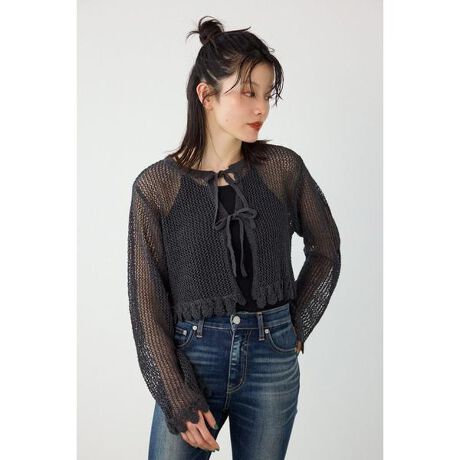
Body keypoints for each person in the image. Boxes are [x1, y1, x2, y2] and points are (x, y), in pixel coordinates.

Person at [127, 15, 341, 460]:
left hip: (272, 358)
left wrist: (295, 325)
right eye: (247, 93)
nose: (261, 108)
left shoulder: (282, 169)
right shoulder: (157, 187)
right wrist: (175, 394)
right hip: (193, 358)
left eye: (266, 94)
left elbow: (326, 250)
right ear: (206, 95)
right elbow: (147, 302)